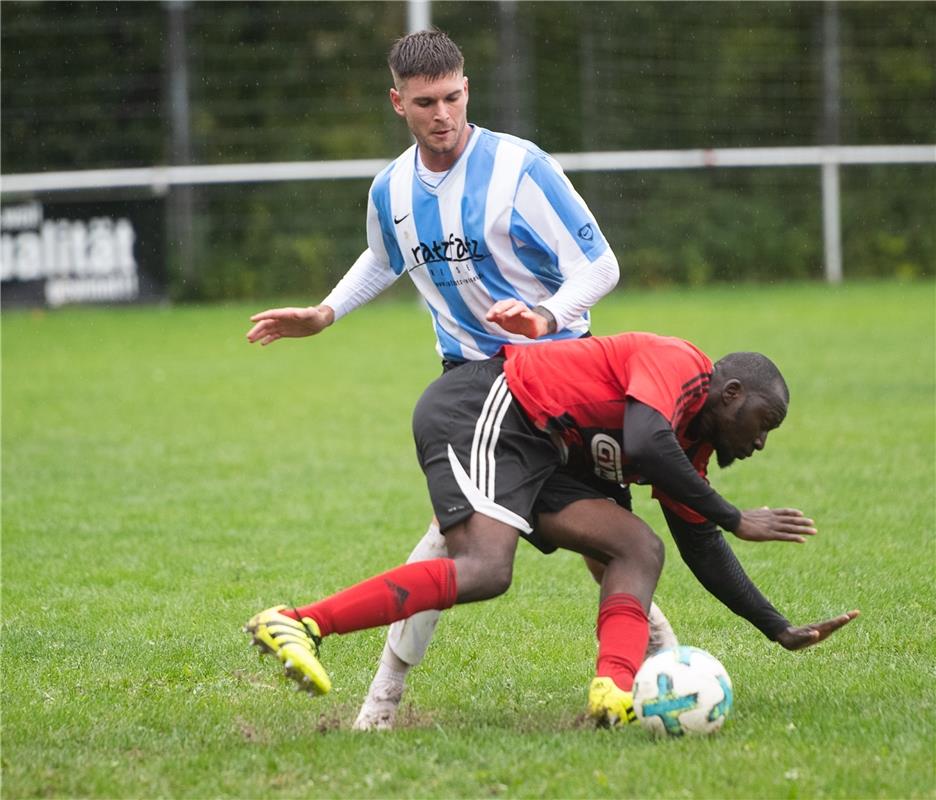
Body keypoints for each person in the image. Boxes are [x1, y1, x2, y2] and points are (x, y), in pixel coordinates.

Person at [245, 29, 678, 731]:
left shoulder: (519, 168)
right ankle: (379, 702)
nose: (441, 114)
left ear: (467, 89)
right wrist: (325, 312)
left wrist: (544, 315)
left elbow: (600, 267)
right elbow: (384, 258)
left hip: (566, 383)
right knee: (472, 550)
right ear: (398, 103)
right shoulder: (390, 188)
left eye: (452, 96)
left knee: (617, 547)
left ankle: (658, 673)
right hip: (478, 389)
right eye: (424, 102)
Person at [245, 332, 859, 728]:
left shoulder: (689, 448)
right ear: (729, 393)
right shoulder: (679, 366)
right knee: (487, 569)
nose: (759, 441)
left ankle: (612, 691)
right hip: (490, 408)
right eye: (762, 422)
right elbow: (645, 441)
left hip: (542, 455)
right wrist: (735, 514)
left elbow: (701, 546)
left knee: (638, 547)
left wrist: (776, 627)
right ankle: (300, 621)